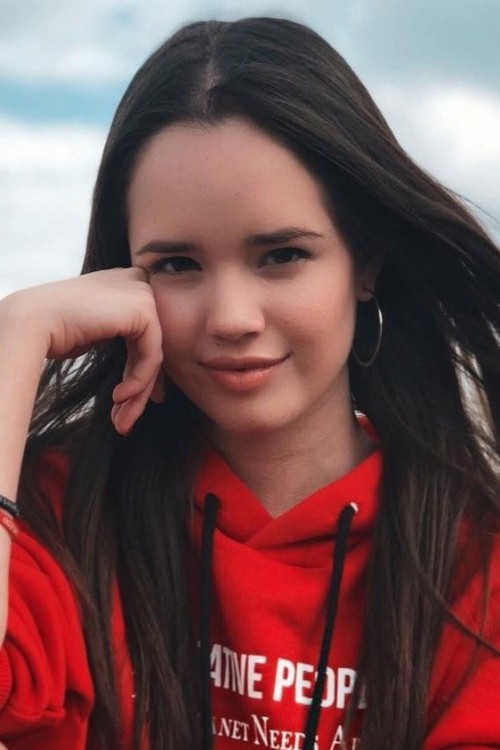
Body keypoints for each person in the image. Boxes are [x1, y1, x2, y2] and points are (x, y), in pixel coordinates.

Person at [0, 15, 499, 750]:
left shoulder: (472, 559)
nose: (232, 318)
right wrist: (13, 341)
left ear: (364, 264)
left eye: (281, 256)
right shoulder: (58, 513)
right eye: (177, 265)